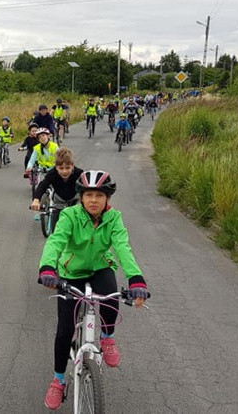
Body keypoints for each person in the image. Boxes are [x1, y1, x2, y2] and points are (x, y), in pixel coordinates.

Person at [37, 171, 150, 410]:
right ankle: (58, 381)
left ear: (107, 198)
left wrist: (136, 280)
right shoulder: (69, 215)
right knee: (64, 330)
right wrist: (48, 267)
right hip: (71, 272)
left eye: (99, 195)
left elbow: (123, 247)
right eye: (88, 194)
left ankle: (107, 339)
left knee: (111, 297)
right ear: (81, 197)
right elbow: (56, 241)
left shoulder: (114, 218)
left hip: (100, 266)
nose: (94, 200)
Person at [30, 148, 83, 222]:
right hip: (59, 202)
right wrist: (36, 199)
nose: (64, 171)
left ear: (72, 166)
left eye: (68, 168)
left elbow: (88, 187)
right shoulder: (52, 174)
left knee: (80, 222)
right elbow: (42, 186)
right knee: (55, 226)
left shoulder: (79, 173)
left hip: (75, 201)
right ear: (56, 167)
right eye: (61, 168)